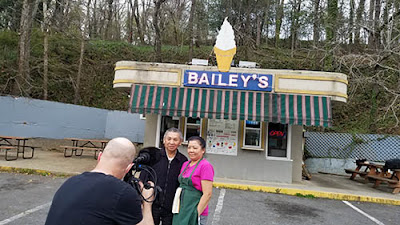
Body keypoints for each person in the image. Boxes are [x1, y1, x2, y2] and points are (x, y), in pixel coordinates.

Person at [45, 137, 154, 225]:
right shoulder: (123, 192)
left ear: (100, 156)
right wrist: (147, 203)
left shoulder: (70, 182)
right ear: (128, 168)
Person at [140, 128, 188, 225]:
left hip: (171, 206)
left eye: (175, 139)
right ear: (164, 140)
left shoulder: (183, 160)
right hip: (151, 204)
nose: (171, 142)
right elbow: (142, 178)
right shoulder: (154, 156)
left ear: (180, 142)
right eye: (169, 139)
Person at [172, 136, 214, 225]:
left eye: (195, 148)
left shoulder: (205, 166)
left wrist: (196, 213)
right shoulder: (186, 164)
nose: (191, 150)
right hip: (182, 209)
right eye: (189, 147)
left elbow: (207, 194)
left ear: (203, 150)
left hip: (194, 209)